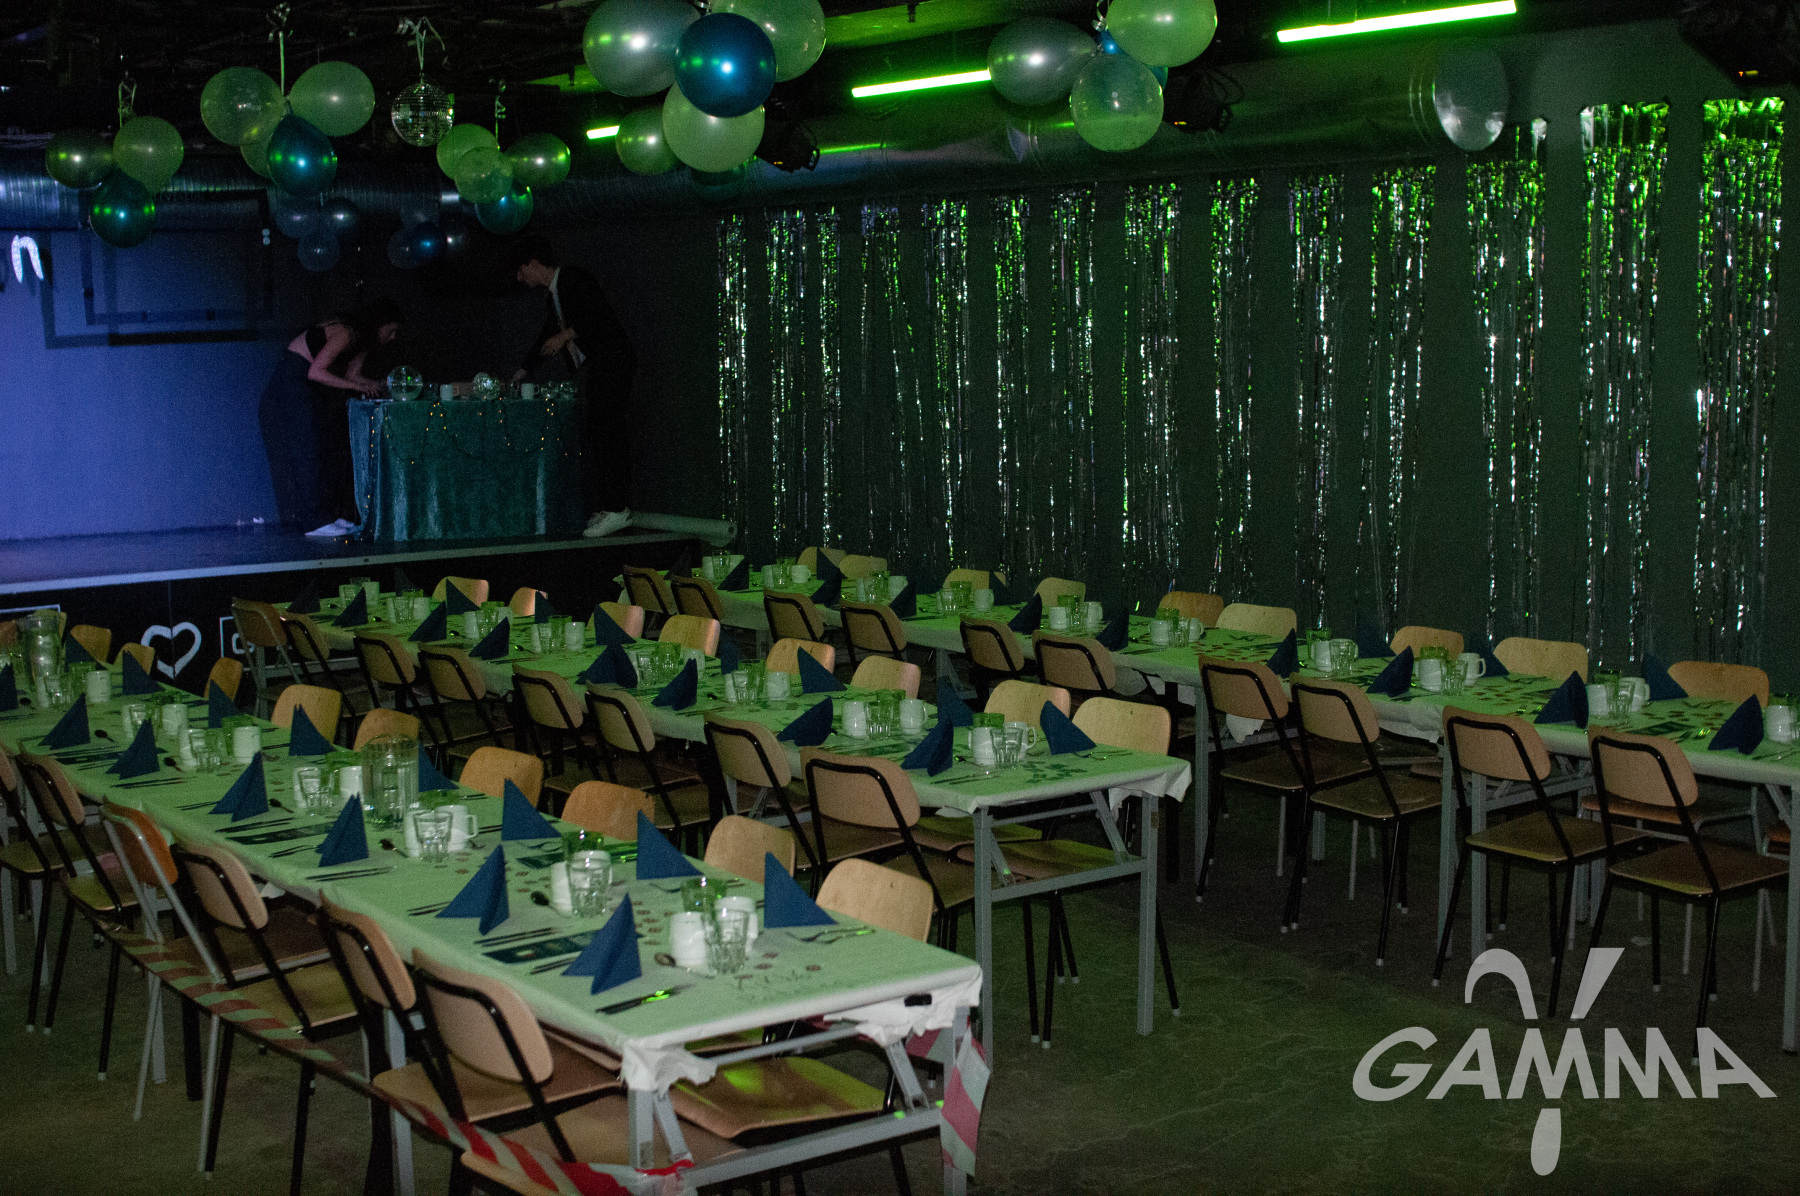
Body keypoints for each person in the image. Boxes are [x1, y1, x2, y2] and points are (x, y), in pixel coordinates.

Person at [509, 237, 636, 531]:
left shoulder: (573, 278)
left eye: (521, 270)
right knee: (599, 431)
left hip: (614, 360)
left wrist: (564, 336)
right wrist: (520, 373)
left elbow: (595, 312)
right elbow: (545, 337)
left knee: (608, 431)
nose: (520, 278)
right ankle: (610, 505)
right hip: (601, 365)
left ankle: (618, 507)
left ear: (533, 263)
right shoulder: (553, 297)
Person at [259, 298, 402, 537]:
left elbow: (353, 376)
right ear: (380, 324)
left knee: (322, 451)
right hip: (291, 382)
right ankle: (315, 521)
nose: (394, 336)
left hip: (305, 387)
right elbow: (315, 372)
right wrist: (355, 387)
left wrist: (376, 385)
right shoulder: (346, 333)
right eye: (392, 330)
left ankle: (327, 516)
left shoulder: (363, 342)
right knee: (306, 452)